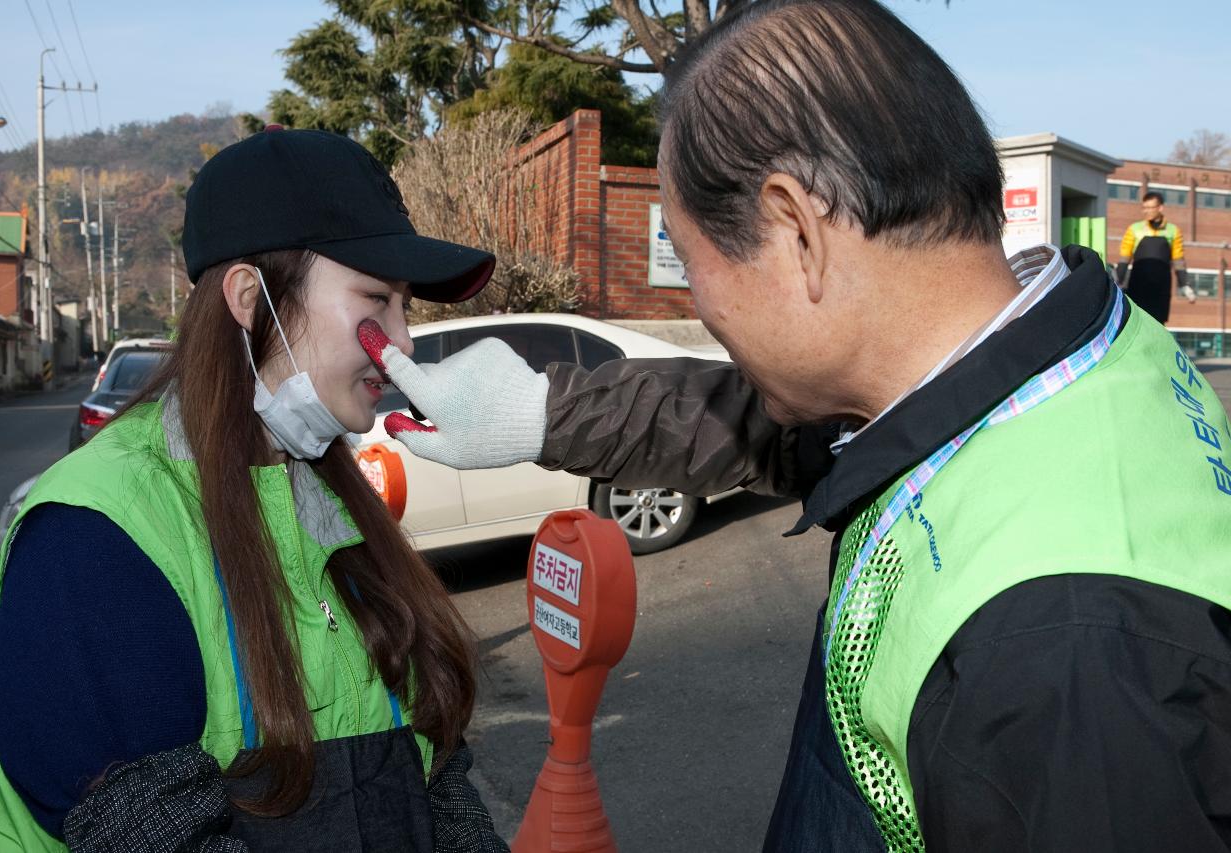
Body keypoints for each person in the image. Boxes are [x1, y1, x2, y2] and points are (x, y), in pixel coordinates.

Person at [359, 1, 1231, 850]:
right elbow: (754, 423)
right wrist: (538, 410)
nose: (703, 307)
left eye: (691, 261)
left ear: (795, 231)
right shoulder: (1043, 363)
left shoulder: (1065, 653)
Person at [0, 127, 509, 852]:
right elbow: (150, 830)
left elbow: (439, 782)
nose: (404, 340)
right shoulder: (93, 536)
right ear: (248, 298)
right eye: (377, 299)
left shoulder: (333, 500)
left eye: (406, 306)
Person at [1117, 189, 1195, 322]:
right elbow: (1124, 257)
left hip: (1162, 286)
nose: (1146, 211)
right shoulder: (1134, 229)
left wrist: (1184, 284)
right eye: (1144, 207)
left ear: (1160, 207)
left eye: (1150, 207)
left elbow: (1178, 260)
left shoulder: (1173, 231)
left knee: (1158, 323)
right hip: (1138, 285)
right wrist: (1117, 280)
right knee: (1136, 320)